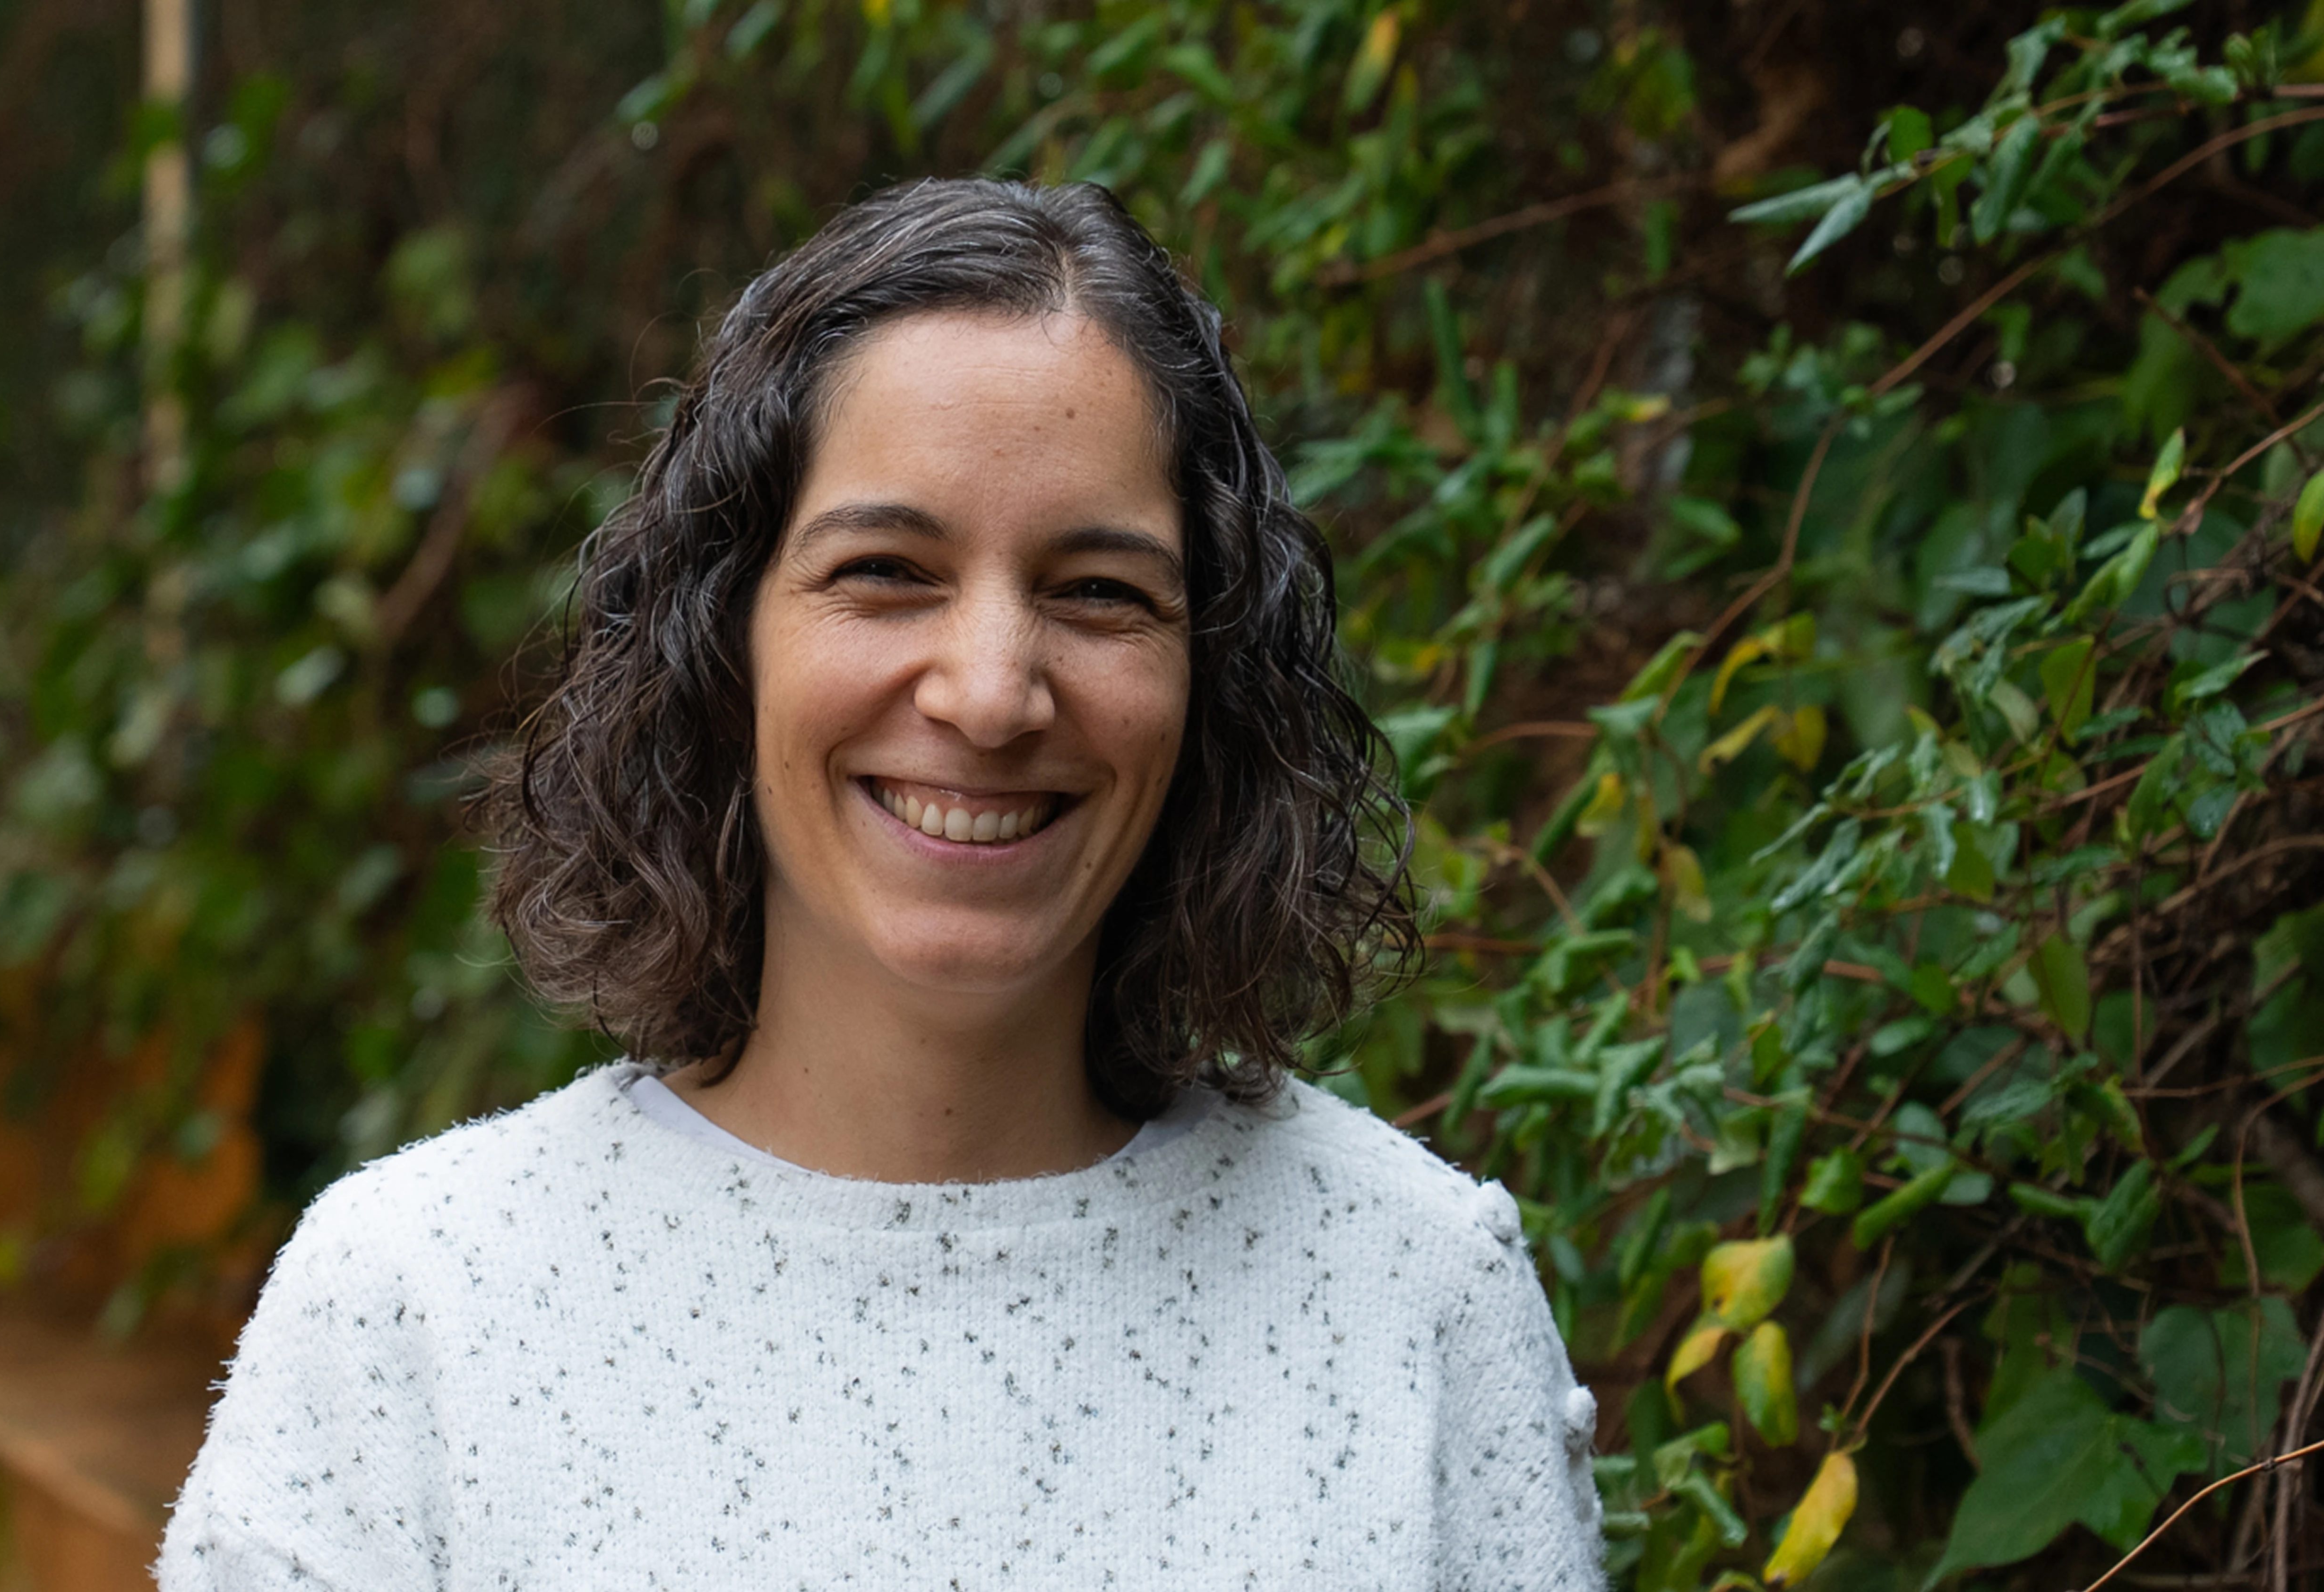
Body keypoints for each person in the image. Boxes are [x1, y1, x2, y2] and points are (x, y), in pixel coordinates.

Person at [157, 178, 1604, 1591]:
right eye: (887, 570)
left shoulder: (1414, 1297)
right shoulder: (417, 1307)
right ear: (724, 645)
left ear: (1208, 679)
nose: (991, 694)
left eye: (1100, 592)